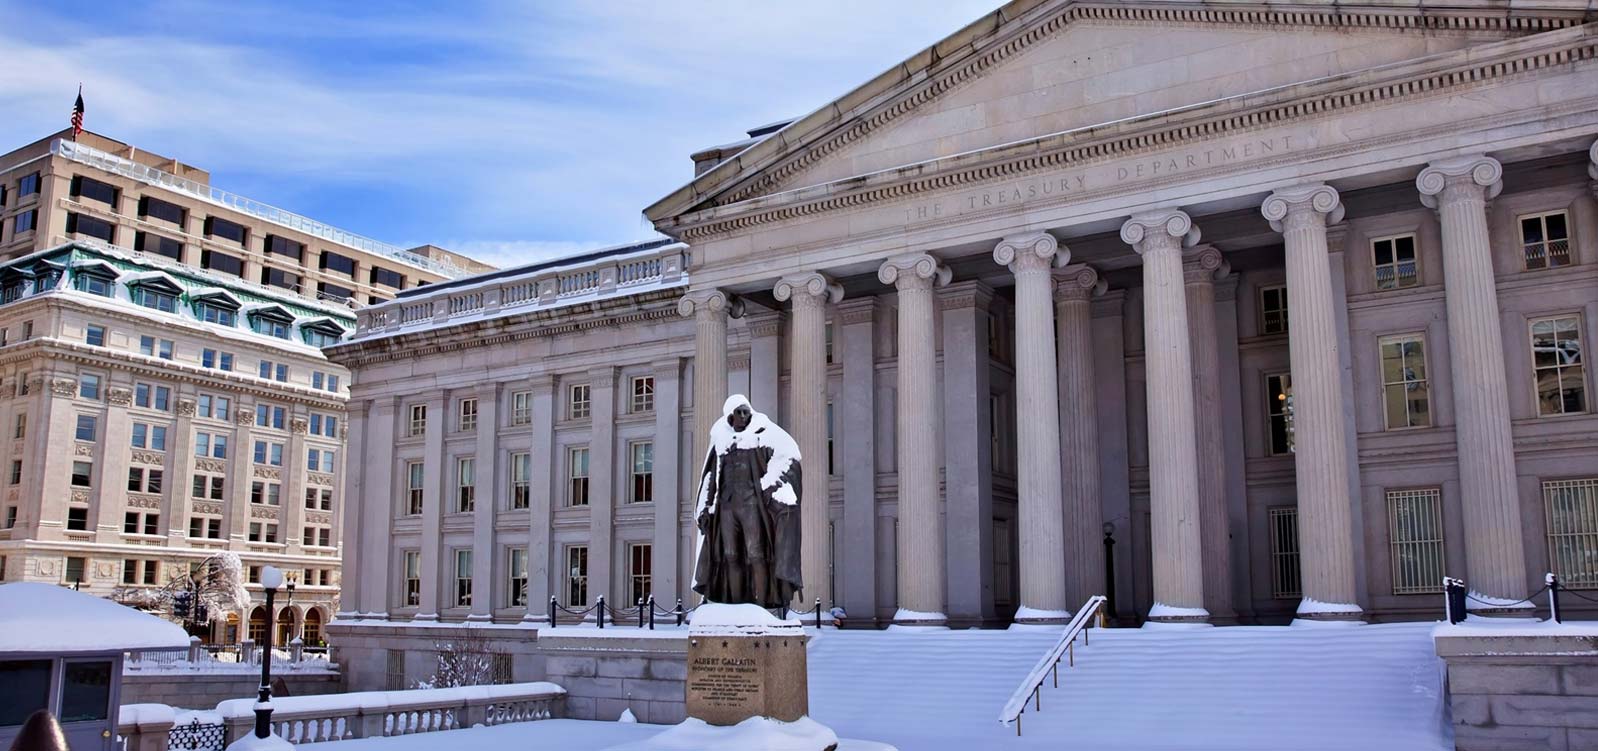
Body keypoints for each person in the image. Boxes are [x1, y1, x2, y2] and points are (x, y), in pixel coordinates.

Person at [692, 395, 803, 607]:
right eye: (739, 412)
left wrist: (770, 485)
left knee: (756, 554)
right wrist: (705, 507)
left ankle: (761, 607)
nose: (743, 416)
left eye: (746, 412)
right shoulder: (720, 442)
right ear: (730, 417)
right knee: (730, 556)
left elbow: (789, 456)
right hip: (726, 506)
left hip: (751, 505)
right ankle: (734, 606)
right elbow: (710, 478)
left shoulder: (763, 435)